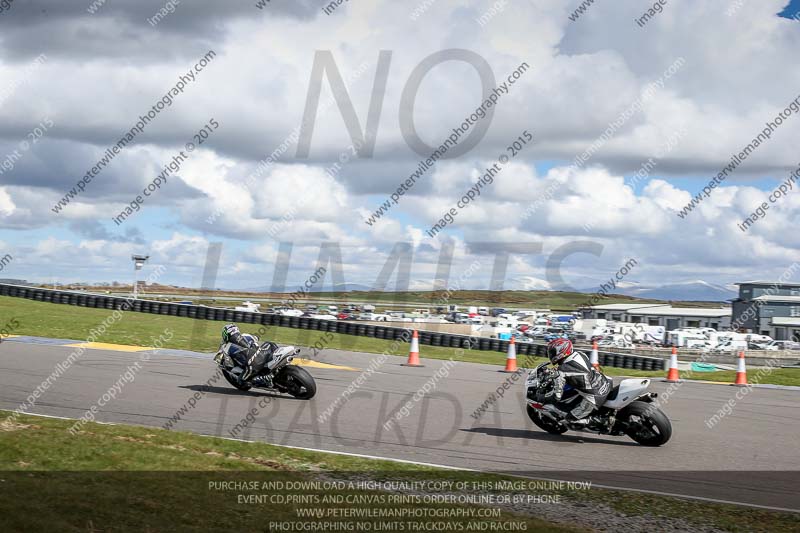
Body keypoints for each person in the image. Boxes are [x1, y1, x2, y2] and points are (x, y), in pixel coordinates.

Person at [543, 338, 612, 426]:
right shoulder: (580, 354)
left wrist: (544, 397)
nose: (550, 355)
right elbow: (577, 372)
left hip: (595, 397)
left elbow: (557, 396)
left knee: (569, 419)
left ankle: (602, 422)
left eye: (552, 352)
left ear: (561, 351)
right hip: (606, 383)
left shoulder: (562, 371)